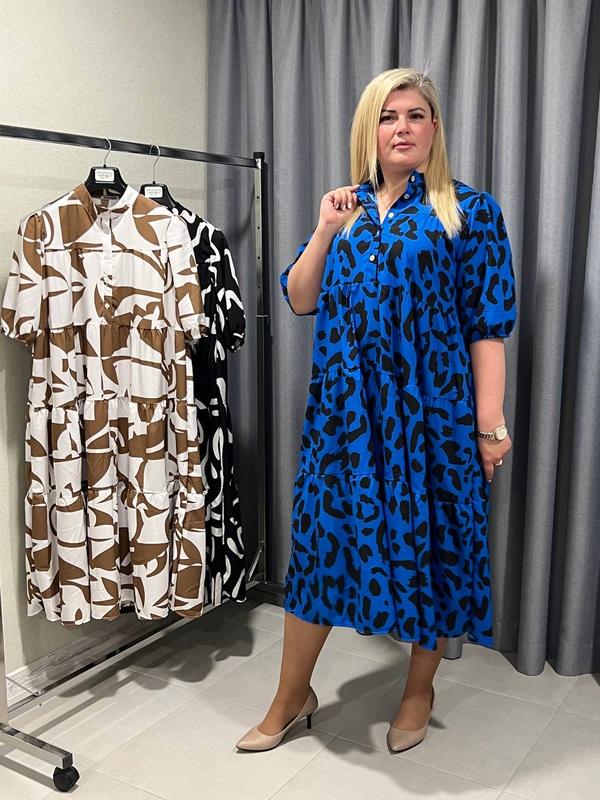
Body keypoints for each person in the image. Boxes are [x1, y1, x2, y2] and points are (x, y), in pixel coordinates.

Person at [236, 66, 517, 753]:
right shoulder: (347, 210)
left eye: (416, 115)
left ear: (434, 128)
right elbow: (300, 297)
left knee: (434, 552)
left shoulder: (468, 211)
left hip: (432, 421)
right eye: (389, 116)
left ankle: (419, 690)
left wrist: (490, 425)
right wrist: (323, 229)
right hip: (343, 423)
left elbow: (488, 329)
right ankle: (291, 697)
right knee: (318, 555)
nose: (402, 128)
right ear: (370, 129)